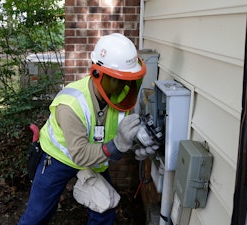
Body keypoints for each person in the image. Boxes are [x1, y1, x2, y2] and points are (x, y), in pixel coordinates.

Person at [18, 33, 152, 225]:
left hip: (95, 160)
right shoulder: (71, 104)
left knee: (104, 209)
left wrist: (137, 142)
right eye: (116, 80)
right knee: (38, 214)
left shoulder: (122, 94)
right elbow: (80, 154)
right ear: (97, 74)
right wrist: (117, 146)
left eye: (127, 80)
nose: (122, 87)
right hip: (57, 159)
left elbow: (122, 131)